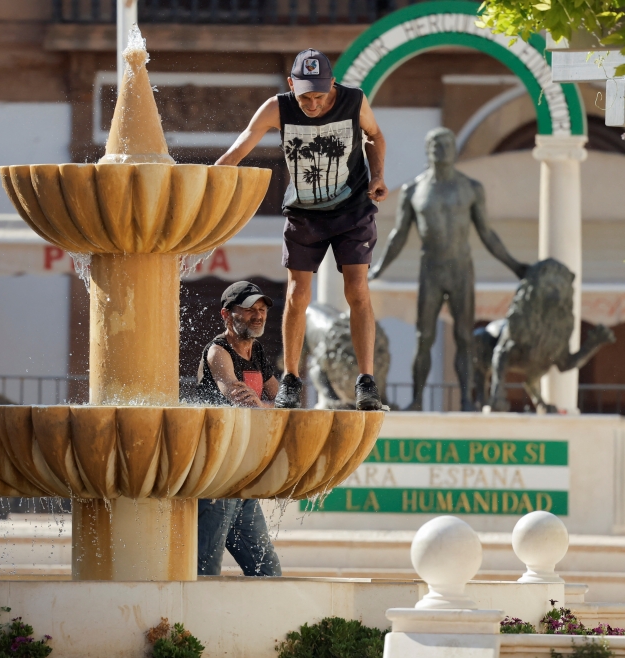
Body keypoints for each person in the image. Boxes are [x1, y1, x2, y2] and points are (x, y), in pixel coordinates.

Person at [216, 48, 387, 411]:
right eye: (305, 95)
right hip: (305, 212)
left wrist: (379, 177)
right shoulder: (277, 108)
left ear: (332, 85)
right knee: (297, 293)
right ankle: (291, 379)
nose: (312, 103)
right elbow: (243, 144)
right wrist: (217, 174)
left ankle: (366, 381)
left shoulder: (354, 101)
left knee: (357, 288)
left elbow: (375, 136)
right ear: (291, 84)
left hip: (353, 209)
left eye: (319, 95)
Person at [368, 127, 528, 411]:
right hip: (430, 268)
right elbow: (399, 236)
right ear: (428, 151)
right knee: (423, 337)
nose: (440, 149)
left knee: (464, 338)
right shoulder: (414, 190)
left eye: (446, 144)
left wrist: (515, 265)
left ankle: (468, 400)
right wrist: (378, 269)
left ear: (454, 150)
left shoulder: (470, 188)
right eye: (435, 144)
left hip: (460, 269)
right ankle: (416, 400)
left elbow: (487, 234)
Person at [195, 281, 282, 577]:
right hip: (216, 475)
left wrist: (263, 403)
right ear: (226, 314)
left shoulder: (256, 351)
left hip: (241, 477)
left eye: (261, 310)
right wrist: (264, 403)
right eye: (248, 310)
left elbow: (282, 400)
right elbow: (238, 397)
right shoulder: (218, 352)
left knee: (267, 570)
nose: (257, 316)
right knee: (205, 568)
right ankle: (187, 623)